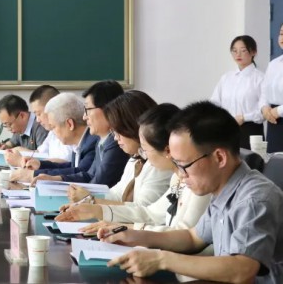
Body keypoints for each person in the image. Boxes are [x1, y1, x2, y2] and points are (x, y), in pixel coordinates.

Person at [103, 101, 283, 283]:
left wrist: (161, 260)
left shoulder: (255, 198)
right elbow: (193, 237)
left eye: (184, 165)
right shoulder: (222, 189)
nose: (181, 174)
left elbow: (243, 269)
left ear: (219, 157)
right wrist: (137, 236)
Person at [77, 103, 210, 235]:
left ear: (167, 150)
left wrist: (125, 227)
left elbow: (184, 234)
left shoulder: (199, 182)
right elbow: (151, 213)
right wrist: (99, 210)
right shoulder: (176, 178)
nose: (143, 155)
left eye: (144, 149)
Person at [55, 91, 172, 221]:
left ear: (133, 127)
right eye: (113, 132)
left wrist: (91, 202)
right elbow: (116, 194)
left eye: (118, 131)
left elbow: (143, 210)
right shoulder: (135, 159)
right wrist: (84, 205)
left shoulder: (159, 164)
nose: (115, 138)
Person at [26, 80, 128, 187]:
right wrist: (55, 179)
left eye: (88, 109)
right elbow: (89, 175)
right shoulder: (101, 140)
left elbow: (99, 184)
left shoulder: (115, 142)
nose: (84, 117)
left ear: (108, 109)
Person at [10, 93, 98, 183]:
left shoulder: (92, 144)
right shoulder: (80, 142)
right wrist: (40, 165)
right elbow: (72, 167)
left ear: (70, 124)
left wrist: (33, 174)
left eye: (53, 127)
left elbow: (81, 172)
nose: (53, 133)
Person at [211, 35, 264, 149]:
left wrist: (244, 117)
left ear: (253, 52)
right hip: (227, 129)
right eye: (234, 51)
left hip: (250, 130)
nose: (238, 54)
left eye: (243, 50)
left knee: (249, 159)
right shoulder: (226, 78)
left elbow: (264, 110)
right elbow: (214, 103)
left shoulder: (260, 78)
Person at [5, 85, 74, 166]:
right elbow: (40, 154)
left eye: (39, 114)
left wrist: (21, 161)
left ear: (52, 108)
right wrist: (19, 151)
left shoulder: (69, 130)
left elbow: (66, 163)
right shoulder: (52, 133)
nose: (37, 120)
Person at [261, 23, 283, 152]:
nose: (282, 37)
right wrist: (264, 108)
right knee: (273, 159)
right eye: (281, 33)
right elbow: (264, 91)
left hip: (277, 114)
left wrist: (278, 111)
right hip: (273, 121)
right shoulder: (273, 64)